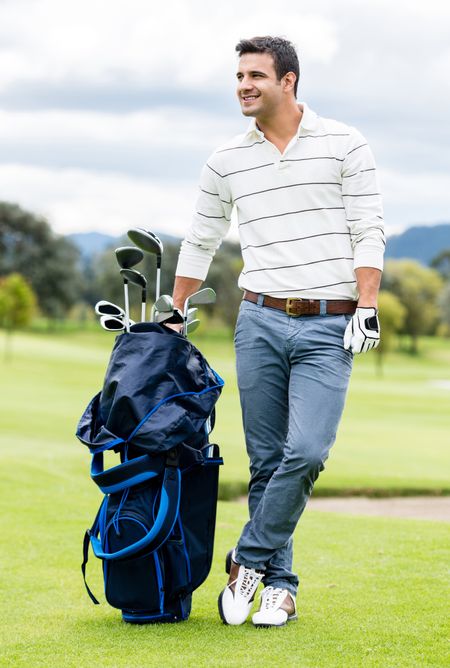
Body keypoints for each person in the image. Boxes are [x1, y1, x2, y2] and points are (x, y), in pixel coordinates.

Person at [172, 36, 385, 627]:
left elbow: (369, 227)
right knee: (266, 461)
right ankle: (279, 588)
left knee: (308, 452)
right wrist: (176, 308)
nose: (243, 85)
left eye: (256, 76)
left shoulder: (346, 143)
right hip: (259, 319)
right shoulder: (225, 160)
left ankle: (247, 558)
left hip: (330, 323)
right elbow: (201, 237)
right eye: (239, 76)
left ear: (288, 81)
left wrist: (367, 303)